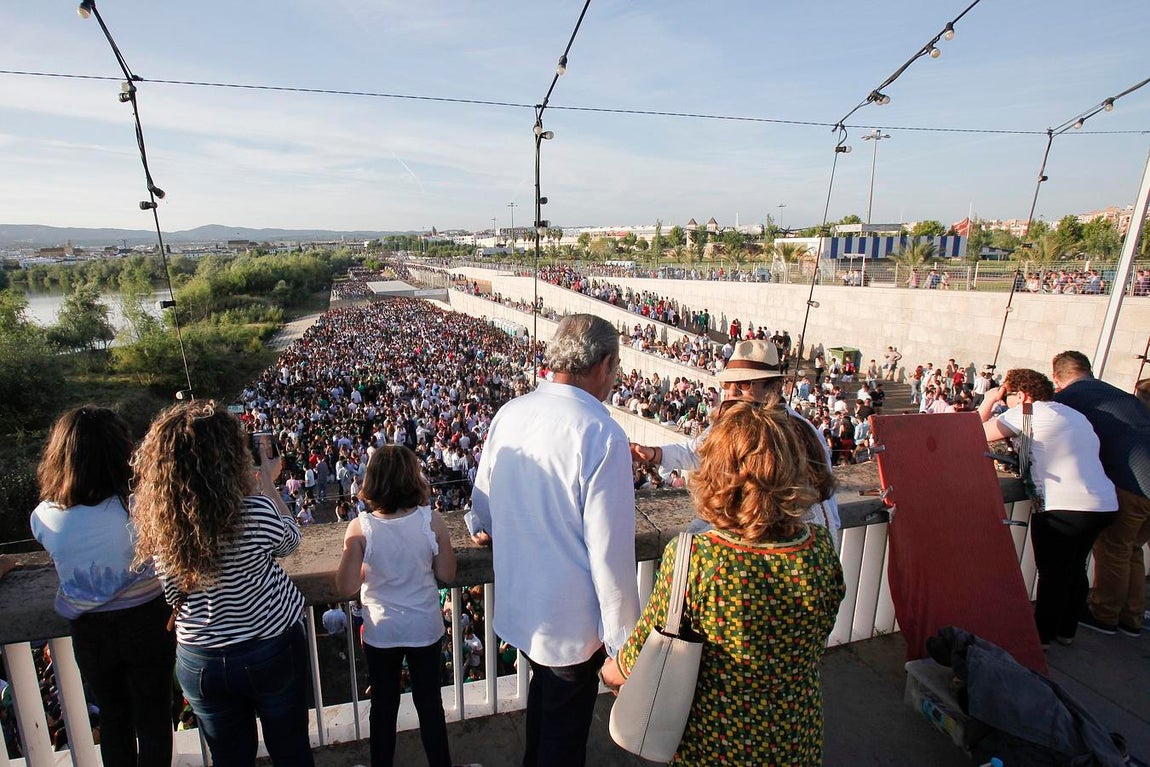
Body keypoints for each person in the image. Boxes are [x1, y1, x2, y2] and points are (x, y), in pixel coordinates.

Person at [601, 403, 845, 764]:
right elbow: (821, 633)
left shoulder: (698, 558)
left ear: (716, 473)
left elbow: (636, 658)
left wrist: (607, 672)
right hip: (796, 738)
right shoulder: (819, 549)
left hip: (714, 742)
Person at [470, 313, 640, 767]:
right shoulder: (602, 433)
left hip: (522, 608)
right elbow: (611, 558)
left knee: (543, 714)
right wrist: (626, 647)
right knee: (562, 741)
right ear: (604, 365)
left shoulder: (510, 413)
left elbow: (480, 508)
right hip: (571, 623)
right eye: (616, 367)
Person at [131, 401, 314, 767]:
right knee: (291, 750)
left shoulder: (163, 527)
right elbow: (291, 541)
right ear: (228, 457)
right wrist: (269, 487)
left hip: (201, 658)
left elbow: (172, 594)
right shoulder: (254, 511)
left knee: (229, 758)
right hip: (270, 645)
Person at [30, 406, 176, 767]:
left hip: (91, 632)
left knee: (113, 718)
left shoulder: (45, 516)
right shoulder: (140, 506)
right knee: (155, 717)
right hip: (148, 623)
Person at [631, 339, 841, 545]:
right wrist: (653, 454)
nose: (731, 392)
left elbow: (821, 505)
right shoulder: (730, 421)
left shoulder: (800, 433)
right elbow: (696, 451)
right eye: (728, 384)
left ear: (775, 388)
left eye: (743, 384)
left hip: (770, 546)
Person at [335, 444, 459, 767]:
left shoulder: (361, 528)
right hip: (424, 627)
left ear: (372, 480)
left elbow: (346, 585)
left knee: (384, 708)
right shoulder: (431, 520)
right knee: (430, 706)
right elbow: (446, 572)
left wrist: (366, 568)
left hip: (382, 631)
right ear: (412, 477)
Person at [979, 369, 1118, 647]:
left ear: (1025, 395)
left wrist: (989, 401)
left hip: (1063, 506)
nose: (1008, 403)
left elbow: (971, 433)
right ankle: (1066, 630)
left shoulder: (1027, 411)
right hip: (1103, 503)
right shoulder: (1073, 414)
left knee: (1052, 572)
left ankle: (1042, 636)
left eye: (1011, 396)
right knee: (1075, 566)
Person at [1050, 351, 1150, 638]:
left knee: (1115, 549)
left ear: (1057, 378)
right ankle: (1131, 617)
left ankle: (1105, 614)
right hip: (1145, 483)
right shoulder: (1117, 395)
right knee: (1132, 548)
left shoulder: (1069, 398)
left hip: (1133, 481)